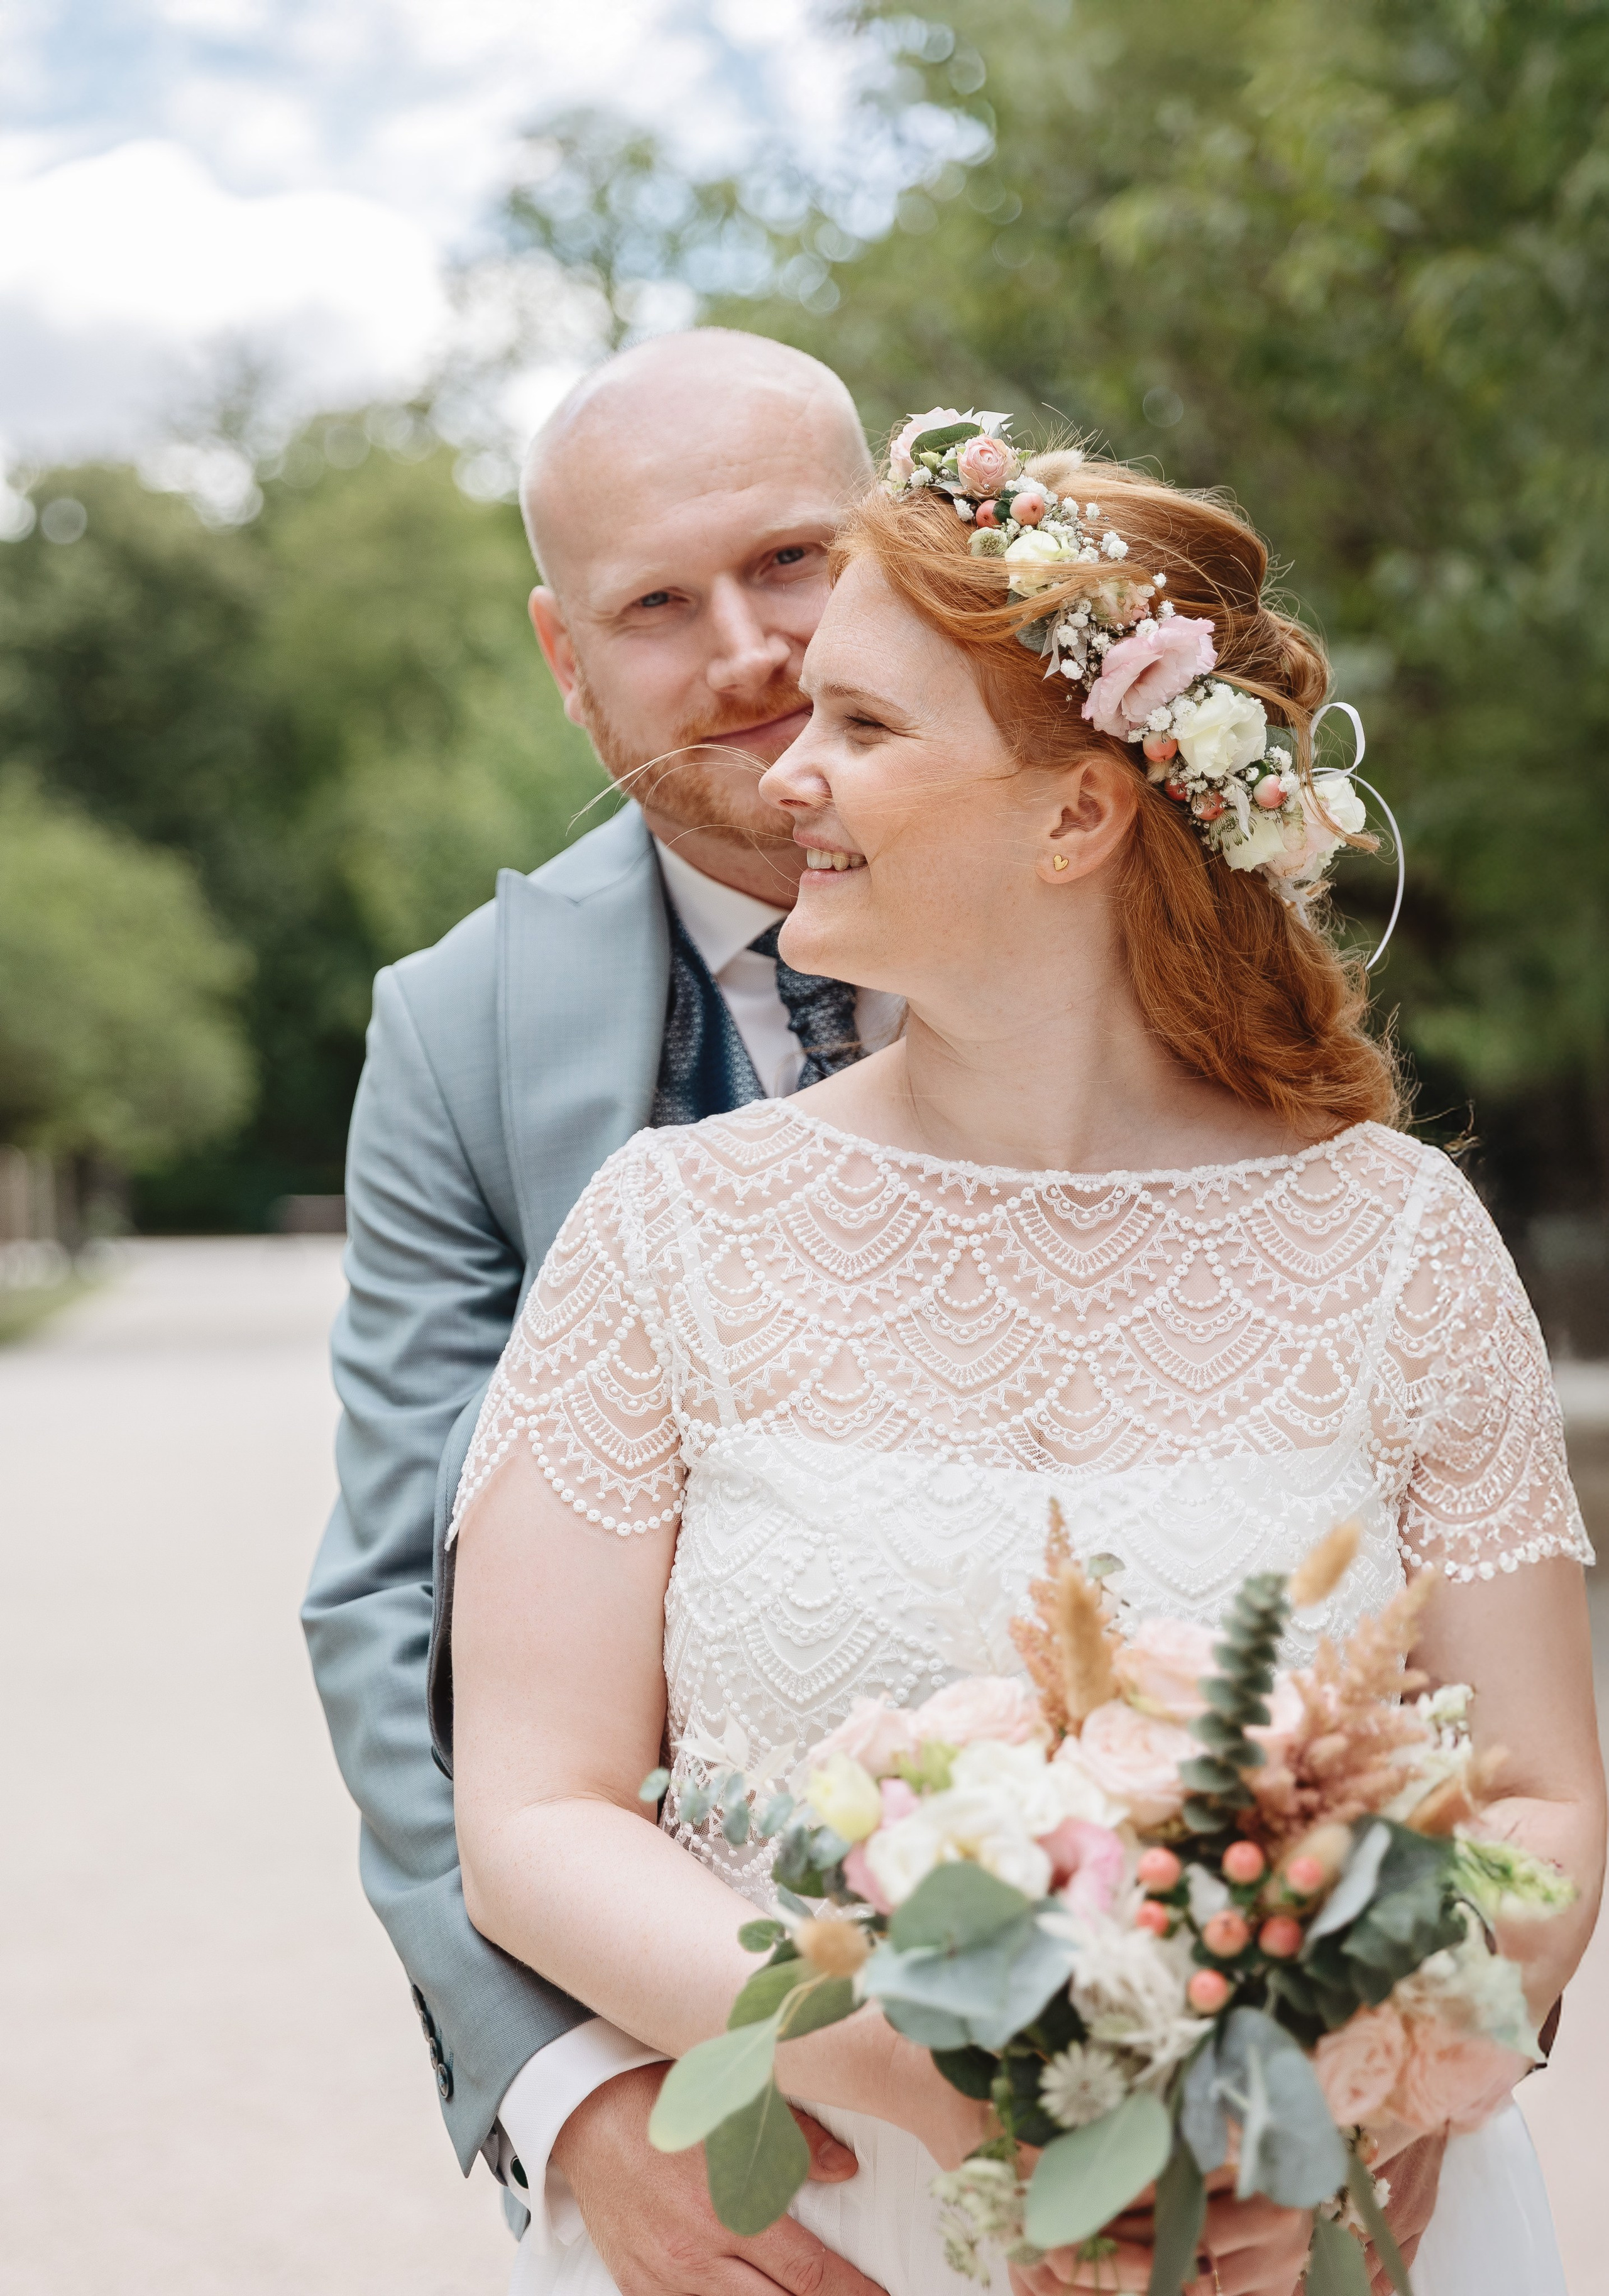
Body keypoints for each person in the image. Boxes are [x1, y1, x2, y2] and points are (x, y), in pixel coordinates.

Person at [446, 423, 1605, 2296]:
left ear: (1079, 817)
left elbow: (1543, 1800)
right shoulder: (666, 1236)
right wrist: (932, 2083)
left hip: (1300, 2233)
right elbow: (532, 1812)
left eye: (868, 731)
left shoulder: (1398, 1242)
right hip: (814, 2229)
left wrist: (1340, 2091)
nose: (789, 775)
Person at [302, 328, 904, 2296]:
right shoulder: (455, 1027)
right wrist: (569, 2097)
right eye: (658, 602)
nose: (751, 649)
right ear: (569, 661)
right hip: (702, 2066)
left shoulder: (1174, 900)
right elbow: (398, 1603)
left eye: (797, 560)